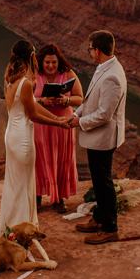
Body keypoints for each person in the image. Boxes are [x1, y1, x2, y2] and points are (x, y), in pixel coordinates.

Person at [0, 39, 70, 238]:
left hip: (11, 134)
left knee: (15, 182)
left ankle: (14, 226)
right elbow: (33, 115)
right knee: (23, 183)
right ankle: (20, 231)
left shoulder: (10, 79)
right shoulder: (26, 83)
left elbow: (34, 105)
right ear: (30, 57)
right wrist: (59, 123)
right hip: (23, 139)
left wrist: (56, 117)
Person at [66, 30, 127, 245]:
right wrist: (76, 114)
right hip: (96, 137)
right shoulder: (105, 68)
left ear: (97, 50)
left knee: (103, 182)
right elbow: (90, 100)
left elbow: (104, 114)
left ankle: (110, 227)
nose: (89, 53)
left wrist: (79, 123)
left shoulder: (112, 76)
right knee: (99, 180)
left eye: (90, 49)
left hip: (103, 139)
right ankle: (100, 217)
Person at [33, 43, 84, 214]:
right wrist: (42, 101)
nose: (50, 66)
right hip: (41, 124)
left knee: (62, 159)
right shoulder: (34, 75)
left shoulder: (68, 73)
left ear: (58, 61)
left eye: (53, 62)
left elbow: (80, 98)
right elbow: (25, 99)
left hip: (63, 123)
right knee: (39, 159)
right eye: (47, 62)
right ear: (41, 62)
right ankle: (37, 196)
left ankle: (59, 199)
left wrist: (66, 100)